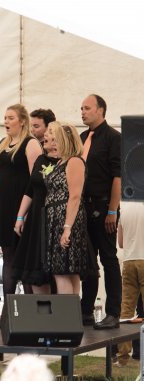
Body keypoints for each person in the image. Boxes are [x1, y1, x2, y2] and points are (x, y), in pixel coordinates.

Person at [0, 104, 42, 296]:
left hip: (20, 206)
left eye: (11, 118)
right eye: (5, 118)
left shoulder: (31, 143)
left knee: (24, 259)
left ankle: (28, 309)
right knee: (8, 256)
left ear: (22, 121)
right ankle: (8, 311)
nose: (6, 121)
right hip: (3, 206)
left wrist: (28, 212)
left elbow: (35, 180)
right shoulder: (4, 143)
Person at [79, 94, 122, 330]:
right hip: (84, 206)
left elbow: (118, 176)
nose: (83, 112)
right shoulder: (82, 137)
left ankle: (113, 312)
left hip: (104, 205)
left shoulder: (113, 138)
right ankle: (86, 310)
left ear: (101, 110)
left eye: (87, 108)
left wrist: (112, 210)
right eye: (81, 108)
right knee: (87, 261)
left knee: (108, 258)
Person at [12, 124, 60, 294]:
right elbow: (30, 190)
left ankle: (59, 313)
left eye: (49, 133)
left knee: (56, 270)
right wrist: (20, 217)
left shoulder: (68, 161)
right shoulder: (41, 160)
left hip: (56, 220)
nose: (45, 136)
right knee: (35, 268)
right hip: (36, 218)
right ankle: (42, 315)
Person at [44, 122, 90, 295]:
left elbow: (75, 196)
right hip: (56, 220)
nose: (52, 142)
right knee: (67, 271)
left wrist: (67, 228)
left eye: (56, 139)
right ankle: (71, 316)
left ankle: (67, 317)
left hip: (66, 219)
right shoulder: (60, 162)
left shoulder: (74, 162)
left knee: (62, 271)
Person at [116, 201, 144, 366]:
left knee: (126, 311)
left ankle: (122, 358)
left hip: (129, 261)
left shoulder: (124, 208)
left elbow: (121, 243)